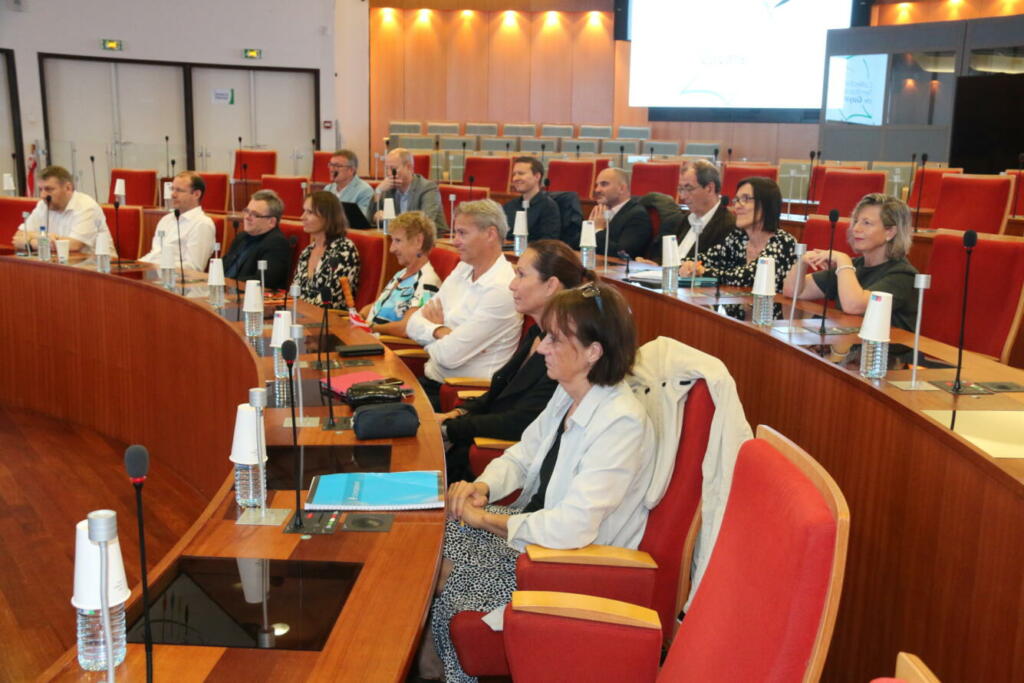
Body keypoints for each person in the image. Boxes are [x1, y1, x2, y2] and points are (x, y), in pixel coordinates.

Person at [429, 282, 655, 683]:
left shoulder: (621, 421)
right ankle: (436, 666)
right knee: (433, 530)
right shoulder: (569, 393)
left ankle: (441, 668)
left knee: (446, 569)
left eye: (555, 339)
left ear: (593, 352)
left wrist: (485, 520)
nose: (542, 348)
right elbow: (522, 455)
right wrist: (483, 488)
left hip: (563, 563)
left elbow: (573, 527)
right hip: (532, 534)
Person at [436, 240, 592, 483]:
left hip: (497, 461)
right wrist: (455, 414)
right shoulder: (536, 334)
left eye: (521, 275)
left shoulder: (566, 353)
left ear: (551, 285)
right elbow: (499, 393)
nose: (511, 284)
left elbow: (521, 422)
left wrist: (449, 429)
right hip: (473, 443)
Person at [405, 199, 521, 408]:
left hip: (463, 397)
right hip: (432, 383)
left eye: (462, 233)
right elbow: (412, 323)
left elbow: (448, 357)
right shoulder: (463, 269)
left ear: (490, 234)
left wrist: (431, 333)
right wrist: (441, 331)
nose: (455, 241)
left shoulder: (502, 289)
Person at [783, 193, 918, 331]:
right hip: (847, 342)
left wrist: (843, 260)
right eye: (856, 221)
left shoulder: (903, 275)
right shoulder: (853, 266)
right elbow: (793, 292)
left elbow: (853, 306)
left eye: (866, 223)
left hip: (886, 345)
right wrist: (802, 262)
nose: (856, 229)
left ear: (890, 232)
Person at [683, 176, 796, 293]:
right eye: (737, 200)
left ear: (766, 204)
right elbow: (706, 258)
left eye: (746, 199)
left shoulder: (784, 242)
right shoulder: (738, 238)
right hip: (736, 304)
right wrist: (689, 265)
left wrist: (703, 271)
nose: (737, 206)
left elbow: (749, 278)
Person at [361, 211, 441, 336]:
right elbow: (378, 306)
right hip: (368, 337)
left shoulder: (427, 282)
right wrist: (360, 316)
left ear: (419, 241)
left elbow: (406, 327)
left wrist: (371, 327)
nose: (391, 249)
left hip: (385, 344)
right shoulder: (401, 273)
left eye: (398, 241)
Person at [642, 159, 735, 264]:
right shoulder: (684, 219)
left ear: (709, 188)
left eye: (689, 188)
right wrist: (656, 265)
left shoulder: (729, 227)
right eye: (681, 189)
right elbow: (673, 261)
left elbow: (714, 267)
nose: (682, 196)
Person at [12, 165, 115, 254]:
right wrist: (40, 239)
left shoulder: (86, 206)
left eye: (49, 189)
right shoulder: (43, 205)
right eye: (41, 189)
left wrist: (31, 241)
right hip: (63, 262)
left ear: (68, 188)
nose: (43, 195)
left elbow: (74, 245)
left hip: (97, 266)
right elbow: (18, 237)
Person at [291, 191, 360, 306]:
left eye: (310, 212)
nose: (302, 217)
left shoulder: (344, 250)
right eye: (304, 211)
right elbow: (294, 293)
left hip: (329, 315)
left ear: (328, 217)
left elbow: (332, 300)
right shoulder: (307, 251)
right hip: (300, 313)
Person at [139, 171, 215, 271]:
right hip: (152, 272)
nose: (173, 195)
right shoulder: (166, 220)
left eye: (179, 190)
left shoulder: (202, 224)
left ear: (196, 194)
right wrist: (137, 264)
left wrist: (156, 267)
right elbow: (155, 254)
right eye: (172, 189)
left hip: (174, 277)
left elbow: (194, 267)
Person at [222, 189, 293, 290]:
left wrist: (227, 283)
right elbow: (224, 266)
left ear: (271, 222)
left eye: (255, 214)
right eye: (247, 211)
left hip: (251, 296)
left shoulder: (277, 243)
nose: (247, 217)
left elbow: (264, 281)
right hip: (226, 291)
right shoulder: (241, 237)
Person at [370, 147, 447, 230]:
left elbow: (424, 223)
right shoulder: (388, 188)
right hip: (398, 236)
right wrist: (378, 191)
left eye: (393, 169)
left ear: (409, 167)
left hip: (430, 237)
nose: (389, 173)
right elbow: (370, 220)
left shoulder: (428, 188)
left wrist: (391, 218)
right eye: (386, 169)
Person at [591, 167, 652, 258]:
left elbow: (622, 254)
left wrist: (598, 230)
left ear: (622, 189)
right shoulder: (599, 212)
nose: (597, 190)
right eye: (597, 185)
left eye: (604, 184)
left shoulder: (637, 215)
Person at [501, 156, 561, 242]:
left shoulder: (548, 207)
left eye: (521, 173)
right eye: (514, 174)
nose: (515, 178)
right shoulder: (509, 206)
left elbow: (548, 243)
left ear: (537, 176)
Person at [323, 149, 374, 218]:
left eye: (337, 166)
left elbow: (362, 218)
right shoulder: (328, 189)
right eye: (331, 165)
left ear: (351, 170)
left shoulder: (364, 191)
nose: (331, 169)